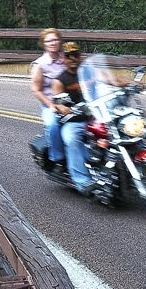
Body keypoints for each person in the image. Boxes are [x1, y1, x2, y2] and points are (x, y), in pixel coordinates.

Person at [50, 43, 97, 194]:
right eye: (68, 56)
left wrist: (129, 84)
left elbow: (110, 81)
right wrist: (62, 107)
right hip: (74, 120)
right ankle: (83, 182)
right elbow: (57, 102)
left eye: (76, 54)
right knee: (71, 139)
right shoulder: (60, 80)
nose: (73, 59)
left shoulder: (89, 72)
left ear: (80, 55)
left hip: (95, 116)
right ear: (63, 59)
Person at [30, 28, 66, 169]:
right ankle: (58, 158)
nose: (53, 43)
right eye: (49, 40)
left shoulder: (67, 58)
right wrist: (50, 105)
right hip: (52, 103)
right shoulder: (40, 64)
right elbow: (36, 90)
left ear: (60, 41)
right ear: (44, 44)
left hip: (71, 102)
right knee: (52, 124)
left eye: (55, 39)